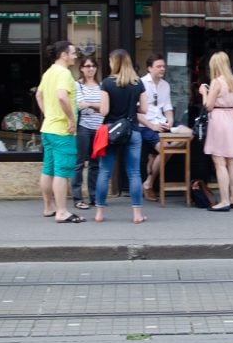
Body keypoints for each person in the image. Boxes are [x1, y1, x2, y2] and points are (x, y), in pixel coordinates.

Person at [94, 49, 149, 225]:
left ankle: (99, 213)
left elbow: (104, 111)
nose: (109, 64)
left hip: (110, 133)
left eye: (110, 61)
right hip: (132, 131)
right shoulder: (138, 83)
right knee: (134, 173)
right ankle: (137, 214)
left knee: (104, 172)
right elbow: (145, 109)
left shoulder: (106, 83)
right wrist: (131, 107)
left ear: (115, 63)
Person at [35, 40, 84, 224]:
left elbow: (38, 95)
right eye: (72, 53)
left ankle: (49, 207)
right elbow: (62, 96)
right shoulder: (64, 73)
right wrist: (71, 119)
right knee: (62, 172)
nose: (75, 56)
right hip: (63, 131)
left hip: (48, 129)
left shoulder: (49, 72)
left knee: (48, 169)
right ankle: (62, 212)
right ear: (63, 55)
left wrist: (48, 114)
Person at [139, 53, 192, 201]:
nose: (162, 69)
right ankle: (148, 183)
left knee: (189, 133)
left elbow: (167, 107)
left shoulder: (165, 85)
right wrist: (152, 126)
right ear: (150, 68)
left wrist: (169, 121)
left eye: (163, 66)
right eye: (159, 66)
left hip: (162, 122)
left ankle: (155, 158)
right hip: (147, 125)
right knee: (165, 149)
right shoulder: (141, 84)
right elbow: (136, 113)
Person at [199, 51, 233, 212]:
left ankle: (224, 201)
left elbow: (208, 106)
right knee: (231, 161)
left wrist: (204, 92)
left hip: (218, 118)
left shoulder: (217, 82)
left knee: (219, 161)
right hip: (231, 118)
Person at [71, 56, 103, 210]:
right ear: (81, 68)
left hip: (99, 128)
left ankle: (94, 196)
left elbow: (104, 107)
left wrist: (91, 105)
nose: (90, 69)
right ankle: (77, 198)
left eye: (93, 66)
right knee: (79, 163)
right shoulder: (77, 85)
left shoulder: (102, 86)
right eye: (87, 66)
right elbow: (80, 105)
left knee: (95, 164)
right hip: (83, 127)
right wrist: (96, 106)